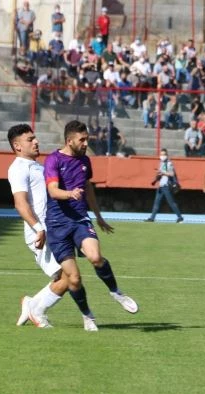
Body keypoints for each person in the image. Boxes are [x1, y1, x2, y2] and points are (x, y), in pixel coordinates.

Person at [43, 120, 139, 331]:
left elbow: (88, 188)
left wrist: (98, 216)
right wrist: (70, 194)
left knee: (95, 257)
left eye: (87, 139)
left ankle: (116, 292)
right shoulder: (53, 160)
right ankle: (87, 315)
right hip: (57, 225)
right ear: (69, 140)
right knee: (74, 279)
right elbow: (53, 191)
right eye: (82, 140)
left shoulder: (85, 161)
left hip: (79, 220)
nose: (86, 143)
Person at [7, 124, 81, 329]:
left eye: (35, 138)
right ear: (17, 146)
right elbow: (20, 203)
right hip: (41, 233)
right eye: (30, 139)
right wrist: (38, 227)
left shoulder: (38, 167)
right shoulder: (18, 168)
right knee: (70, 277)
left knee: (68, 276)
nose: (36, 142)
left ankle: (32, 305)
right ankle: (36, 310)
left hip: (56, 229)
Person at [145, 148, 183, 223]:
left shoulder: (169, 163)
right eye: (161, 154)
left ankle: (180, 217)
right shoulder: (161, 163)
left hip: (166, 186)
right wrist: (158, 175)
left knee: (171, 202)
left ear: (167, 155)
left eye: (164, 154)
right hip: (161, 186)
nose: (162, 156)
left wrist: (163, 172)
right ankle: (152, 218)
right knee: (156, 202)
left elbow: (171, 174)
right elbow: (162, 173)